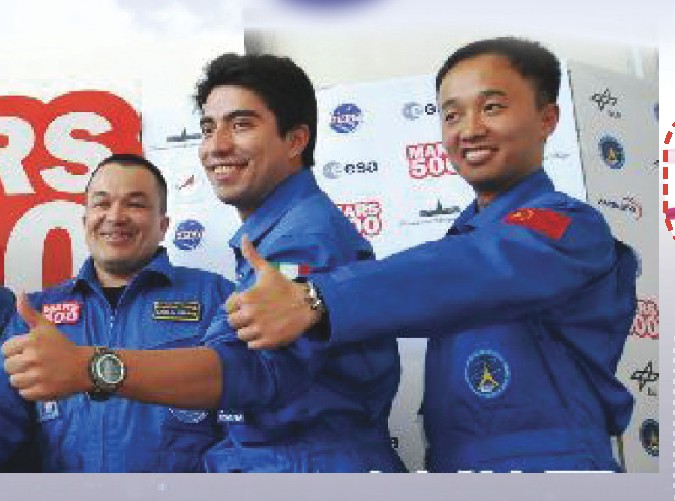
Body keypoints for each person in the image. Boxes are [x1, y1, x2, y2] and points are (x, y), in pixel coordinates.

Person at [223, 37, 638, 472]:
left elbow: (479, 269)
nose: (470, 129)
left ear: (547, 119)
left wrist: (316, 298)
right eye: (452, 114)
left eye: (492, 107)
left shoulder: (568, 227)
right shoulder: (463, 237)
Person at [3, 54, 405, 473]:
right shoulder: (279, 239)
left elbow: (251, 370)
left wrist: (91, 368)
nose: (217, 145)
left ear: (295, 140)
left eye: (241, 124)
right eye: (209, 128)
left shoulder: (302, 240)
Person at [0, 153, 231, 472]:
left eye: (135, 204)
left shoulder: (216, 298)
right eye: (102, 203)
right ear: (85, 221)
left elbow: (247, 422)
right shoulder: (34, 314)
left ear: (163, 225)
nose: (116, 216)